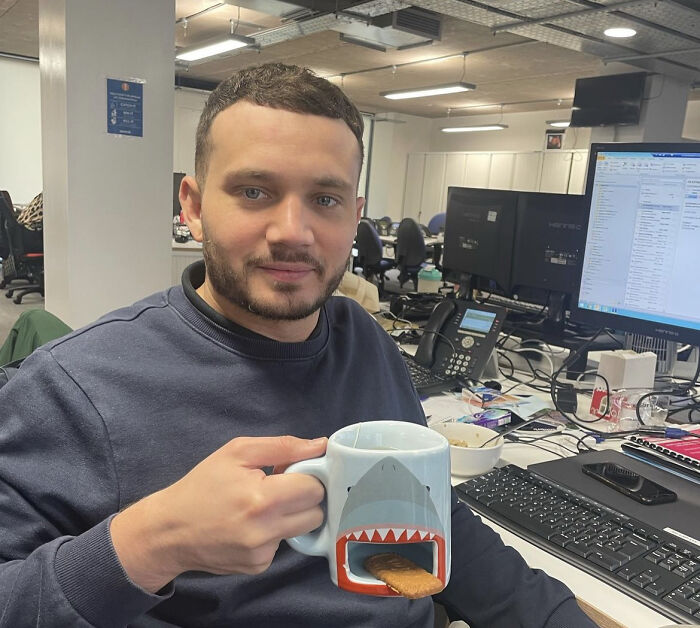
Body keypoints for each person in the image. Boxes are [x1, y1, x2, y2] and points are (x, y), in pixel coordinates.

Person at [0, 63, 598, 627]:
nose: (293, 232)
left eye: (325, 199)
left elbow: (433, 513)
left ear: (355, 217)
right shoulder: (76, 386)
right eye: (254, 191)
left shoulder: (362, 338)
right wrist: (154, 542)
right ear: (194, 207)